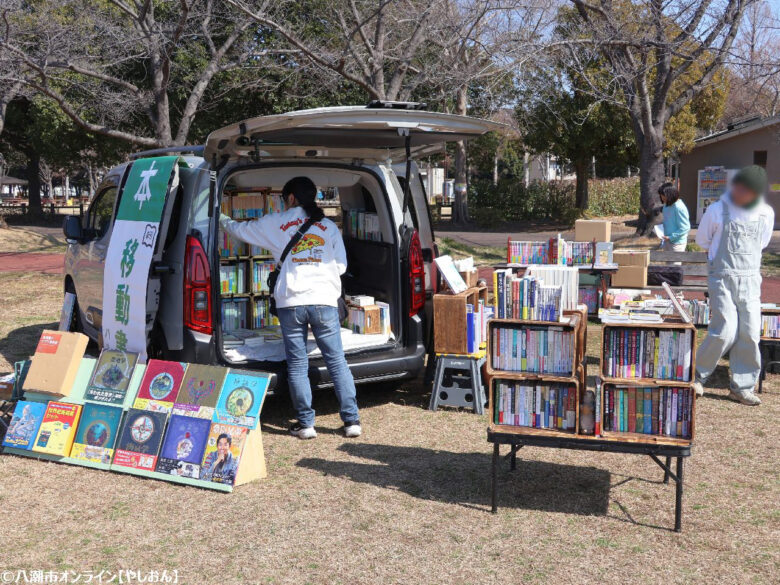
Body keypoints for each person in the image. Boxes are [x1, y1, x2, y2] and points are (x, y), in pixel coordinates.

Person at [220, 176, 361, 439]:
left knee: (297, 364)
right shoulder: (328, 226)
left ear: (291, 198)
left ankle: (306, 424)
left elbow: (238, 231)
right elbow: (341, 267)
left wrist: (218, 216)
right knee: (336, 360)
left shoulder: (275, 222)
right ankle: (351, 421)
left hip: (291, 302)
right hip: (324, 301)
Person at [694, 165, 774, 405]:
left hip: (750, 279)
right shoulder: (718, 210)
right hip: (722, 277)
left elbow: (762, 243)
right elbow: (702, 240)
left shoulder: (766, 213)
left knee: (749, 332)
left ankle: (741, 387)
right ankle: (697, 376)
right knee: (725, 329)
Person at [658, 183, 690, 252]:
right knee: (667, 262)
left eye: (663, 195)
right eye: (661, 195)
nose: (662, 198)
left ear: (670, 195)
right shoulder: (666, 205)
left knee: (674, 263)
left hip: (677, 243)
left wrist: (671, 237)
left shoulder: (679, 207)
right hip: (666, 240)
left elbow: (685, 228)